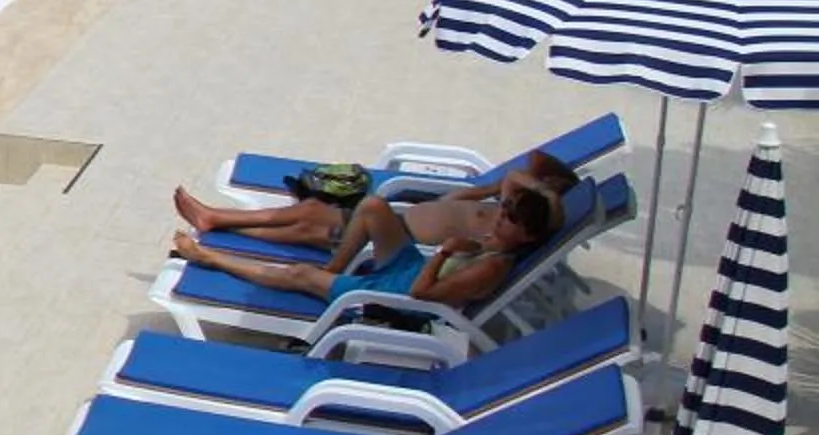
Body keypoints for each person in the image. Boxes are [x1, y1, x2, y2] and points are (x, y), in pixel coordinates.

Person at [170, 181, 560, 312]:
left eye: (510, 217)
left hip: (399, 291)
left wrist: (445, 251)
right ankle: (332, 271)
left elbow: (425, 294)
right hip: (408, 265)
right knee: (372, 205)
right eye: (505, 208)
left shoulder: (493, 265)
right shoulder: (501, 241)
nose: (501, 215)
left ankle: (206, 254)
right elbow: (535, 194)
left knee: (299, 271)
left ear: (527, 235)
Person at [171, 153, 572, 272]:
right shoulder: (511, 208)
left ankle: (216, 220)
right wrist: (525, 190)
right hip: (398, 223)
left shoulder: (526, 223)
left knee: (311, 219)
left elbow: (533, 175)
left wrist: (543, 190)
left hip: (396, 240)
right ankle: (219, 221)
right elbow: (527, 168)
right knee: (309, 219)